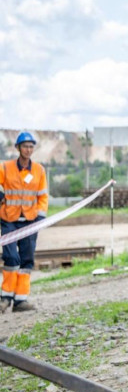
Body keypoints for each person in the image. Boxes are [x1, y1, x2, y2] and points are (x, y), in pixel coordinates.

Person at [0, 131, 48, 313]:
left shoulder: (39, 170)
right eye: (25, 146)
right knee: (11, 257)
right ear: (18, 148)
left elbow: (42, 195)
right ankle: (5, 298)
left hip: (30, 220)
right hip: (9, 219)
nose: (28, 149)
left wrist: (41, 216)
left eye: (30, 146)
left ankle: (21, 300)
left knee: (27, 259)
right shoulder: (5, 168)